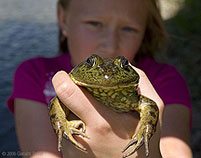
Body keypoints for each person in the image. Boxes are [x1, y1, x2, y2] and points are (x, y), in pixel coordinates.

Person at [7, 0, 192, 157]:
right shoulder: (33, 74)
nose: (110, 46)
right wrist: (62, 126)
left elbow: (174, 149)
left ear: (146, 30)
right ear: (63, 19)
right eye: (94, 23)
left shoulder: (166, 82)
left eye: (128, 28)